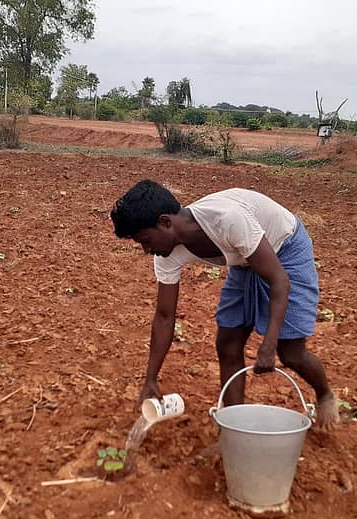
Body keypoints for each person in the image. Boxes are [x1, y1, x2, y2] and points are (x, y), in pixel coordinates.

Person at [110, 179, 339, 430]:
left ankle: (325, 394)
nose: (146, 249)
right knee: (228, 343)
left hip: (284, 249)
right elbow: (164, 317)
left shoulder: (227, 219)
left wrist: (269, 343)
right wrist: (151, 378)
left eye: (145, 239)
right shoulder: (165, 254)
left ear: (165, 222)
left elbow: (280, 281)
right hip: (243, 261)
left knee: (290, 353)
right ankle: (233, 429)